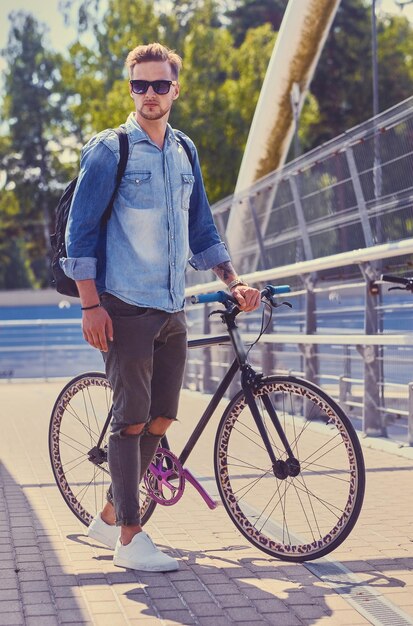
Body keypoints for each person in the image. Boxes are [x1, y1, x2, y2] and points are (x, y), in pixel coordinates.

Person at [62, 42, 261, 573]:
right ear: (131, 89)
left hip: (171, 306)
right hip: (123, 304)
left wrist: (233, 280)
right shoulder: (110, 150)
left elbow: (202, 229)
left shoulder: (183, 151)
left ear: (176, 89)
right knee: (129, 422)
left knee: (162, 417)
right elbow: (78, 232)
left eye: (159, 85)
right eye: (139, 85)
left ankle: (107, 515)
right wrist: (90, 306)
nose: (149, 94)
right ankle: (130, 538)